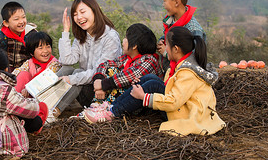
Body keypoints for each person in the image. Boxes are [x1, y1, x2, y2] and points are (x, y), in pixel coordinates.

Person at [85, 27, 225, 137]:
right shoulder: (180, 65)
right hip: (182, 107)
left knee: (152, 84)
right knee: (149, 79)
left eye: (167, 46)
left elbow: (174, 101)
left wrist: (144, 97)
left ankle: (112, 113)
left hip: (187, 113)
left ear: (176, 49)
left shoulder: (188, 73)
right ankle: (109, 109)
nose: (164, 49)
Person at [56, 0, 122, 115]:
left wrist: (71, 79)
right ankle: (42, 102)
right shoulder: (82, 37)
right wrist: (65, 31)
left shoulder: (110, 37)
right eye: (75, 14)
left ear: (94, 11)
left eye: (82, 12)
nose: (79, 17)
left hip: (103, 91)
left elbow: (99, 71)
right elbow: (66, 60)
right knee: (67, 69)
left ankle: (55, 111)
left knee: (76, 74)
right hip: (87, 88)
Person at [87, 23, 162, 108]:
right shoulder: (126, 58)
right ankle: (96, 107)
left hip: (139, 104)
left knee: (124, 83)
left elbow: (129, 76)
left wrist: (103, 84)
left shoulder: (150, 60)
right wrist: (99, 80)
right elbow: (105, 65)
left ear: (134, 46)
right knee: (111, 70)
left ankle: (106, 109)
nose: (123, 40)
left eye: (126, 38)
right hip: (124, 100)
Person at [156, 0, 206, 72]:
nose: (163, 5)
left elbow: (193, 62)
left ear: (176, 2)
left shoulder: (193, 29)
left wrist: (166, 53)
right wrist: (162, 41)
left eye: (164, 1)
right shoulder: (169, 21)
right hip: (169, 73)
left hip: (183, 77)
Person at [0, 1, 37, 72]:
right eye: (16, 19)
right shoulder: (0, 37)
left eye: (23, 17)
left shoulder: (31, 34)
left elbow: (39, 54)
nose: (21, 21)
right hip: (5, 70)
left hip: (27, 70)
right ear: (6, 23)